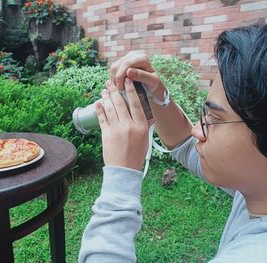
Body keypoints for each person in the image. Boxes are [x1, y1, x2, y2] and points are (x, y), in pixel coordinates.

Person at [78, 24, 267, 262]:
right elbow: (185, 142)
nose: (198, 130)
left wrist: (121, 176)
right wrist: (157, 92)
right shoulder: (258, 185)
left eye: (215, 119)